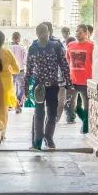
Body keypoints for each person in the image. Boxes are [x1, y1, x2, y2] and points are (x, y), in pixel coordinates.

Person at [26, 21, 71, 150]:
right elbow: (29, 68)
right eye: (40, 32)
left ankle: (49, 137)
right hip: (38, 86)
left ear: (49, 32)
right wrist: (25, 86)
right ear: (36, 33)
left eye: (45, 32)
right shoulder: (33, 48)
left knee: (52, 114)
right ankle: (37, 141)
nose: (43, 35)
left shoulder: (55, 46)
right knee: (39, 113)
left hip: (53, 85)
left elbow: (64, 65)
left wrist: (69, 83)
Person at [65, 24, 94, 134]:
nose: (77, 34)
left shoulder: (91, 45)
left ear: (86, 33)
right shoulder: (70, 45)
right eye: (76, 32)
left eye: (80, 32)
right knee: (73, 107)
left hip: (86, 81)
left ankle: (86, 127)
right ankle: (87, 123)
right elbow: (67, 60)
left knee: (87, 107)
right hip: (73, 81)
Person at [9, 31, 28, 114]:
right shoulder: (22, 48)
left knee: (10, 88)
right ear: (19, 39)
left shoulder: (8, 48)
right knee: (21, 88)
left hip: (10, 71)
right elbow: (25, 60)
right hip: (20, 70)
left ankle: (11, 104)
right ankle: (18, 103)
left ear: (12, 38)